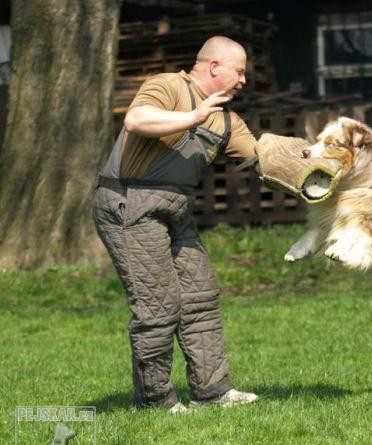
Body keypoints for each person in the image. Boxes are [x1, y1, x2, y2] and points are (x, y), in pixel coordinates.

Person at [93, 36, 258, 413]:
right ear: (215, 66)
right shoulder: (169, 85)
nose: (244, 80)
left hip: (176, 209)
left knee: (200, 296)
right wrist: (192, 117)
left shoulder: (226, 119)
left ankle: (213, 391)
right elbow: (136, 119)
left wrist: (322, 168)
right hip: (129, 202)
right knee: (157, 304)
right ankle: (153, 401)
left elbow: (264, 158)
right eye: (240, 71)